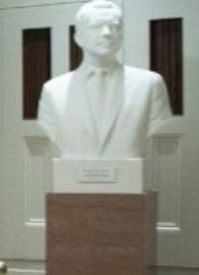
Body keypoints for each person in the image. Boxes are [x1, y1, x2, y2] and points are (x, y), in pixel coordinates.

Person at [37, 0, 172, 159]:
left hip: (128, 177)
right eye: (96, 26)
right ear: (79, 37)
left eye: (114, 27)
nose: (107, 32)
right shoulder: (53, 90)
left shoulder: (150, 84)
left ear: (121, 36)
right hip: (74, 178)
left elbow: (156, 123)